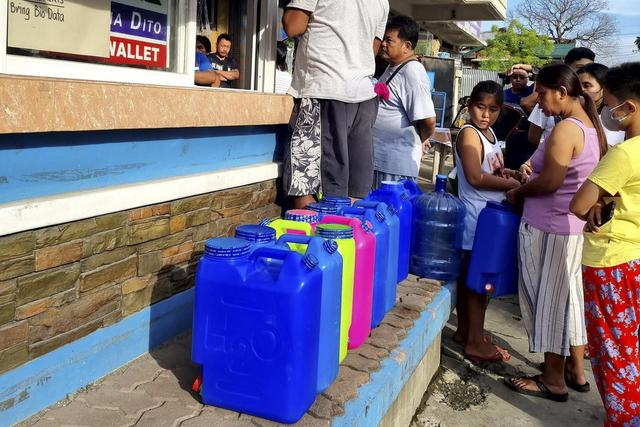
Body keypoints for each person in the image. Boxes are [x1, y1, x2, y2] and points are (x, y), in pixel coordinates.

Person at [503, 63, 607, 402]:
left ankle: (552, 379)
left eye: (543, 94)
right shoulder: (591, 128)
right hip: (568, 229)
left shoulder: (566, 129)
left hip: (549, 227)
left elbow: (551, 182)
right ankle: (569, 373)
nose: (538, 102)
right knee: (565, 303)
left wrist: (520, 192)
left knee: (546, 304)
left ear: (562, 92)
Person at [570, 62, 640, 426]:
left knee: (614, 353)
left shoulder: (625, 154)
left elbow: (579, 204)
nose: (607, 113)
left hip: (612, 263)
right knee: (634, 349)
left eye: (610, 104)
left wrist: (600, 202)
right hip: (636, 260)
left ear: (629, 107)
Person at [282, 0, 389, 208]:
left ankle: (323, 239)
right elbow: (373, 48)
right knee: (353, 192)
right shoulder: (382, 1)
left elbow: (292, 25)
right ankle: (344, 239)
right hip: (363, 96)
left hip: (325, 89)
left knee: (305, 183)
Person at [452, 80, 521, 363]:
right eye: (480, 107)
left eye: (493, 109)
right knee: (477, 284)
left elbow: (491, 169)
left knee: (476, 281)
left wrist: (511, 175)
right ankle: (474, 342)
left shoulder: (490, 133)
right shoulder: (469, 134)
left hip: (489, 219)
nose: (486, 114)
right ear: (470, 106)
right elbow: (476, 177)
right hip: (474, 219)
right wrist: (512, 187)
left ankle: (468, 331)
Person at [372, 15, 436, 188]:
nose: (383, 44)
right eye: (383, 39)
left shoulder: (412, 71)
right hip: (382, 161)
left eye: (389, 40)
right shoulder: (393, 67)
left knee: (389, 212)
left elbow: (428, 120)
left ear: (407, 46)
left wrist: (417, 141)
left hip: (395, 165)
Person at [577, 63, 626, 146]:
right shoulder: (572, 113)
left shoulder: (612, 117)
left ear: (604, 88)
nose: (581, 90)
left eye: (587, 85)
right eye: (577, 85)